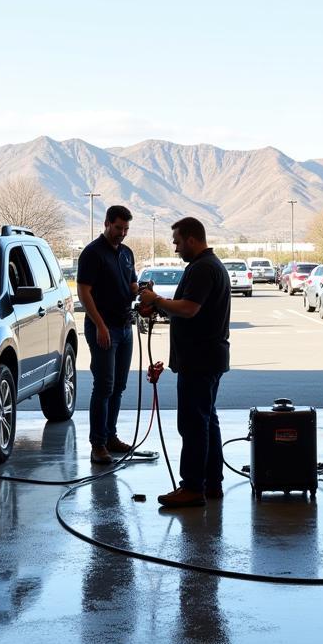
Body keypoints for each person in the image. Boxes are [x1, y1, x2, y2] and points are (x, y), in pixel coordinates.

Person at [139, 217, 230, 509]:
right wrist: (161, 306)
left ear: (192, 239)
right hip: (207, 357)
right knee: (206, 421)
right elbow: (191, 310)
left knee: (193, 424)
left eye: (177, 242)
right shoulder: (207, 265)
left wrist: (157, 299)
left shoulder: (203, 268)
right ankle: (211, 482)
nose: (176, 248)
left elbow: (189, 309)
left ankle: (192, 487)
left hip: (199, 360)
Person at [77, 205, 139, 465]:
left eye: (125, 229)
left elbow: (131, 284)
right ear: (106, 223)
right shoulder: (92, 253)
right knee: (103, 386)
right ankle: (98, 445)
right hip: (103, 328)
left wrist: (141, 290)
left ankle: (111, 436)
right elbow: (84, 292)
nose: (122, 234)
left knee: (119, 386)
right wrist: (100, 326)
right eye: (118, 228)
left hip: (125, 327)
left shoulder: (126, 253)